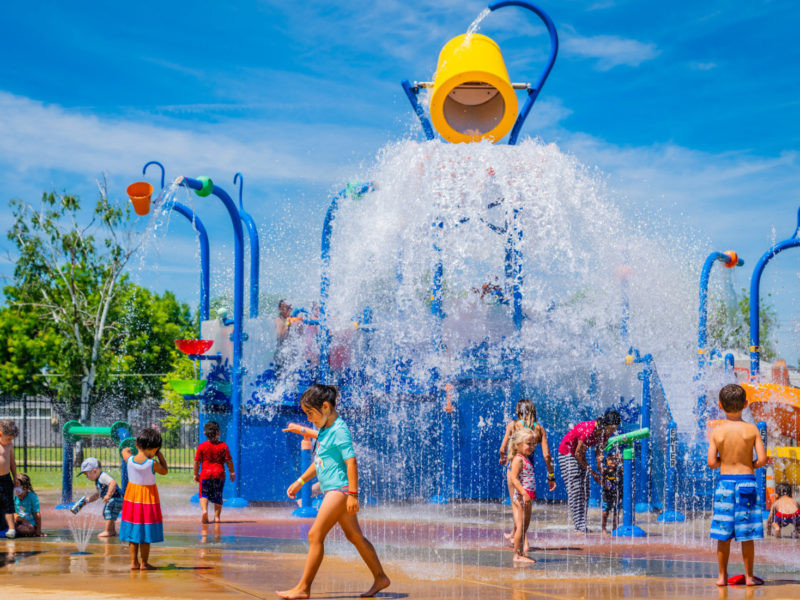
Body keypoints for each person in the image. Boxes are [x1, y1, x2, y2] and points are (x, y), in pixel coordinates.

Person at [277, 384, 390, 599]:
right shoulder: (326, 429)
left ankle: (303, 588)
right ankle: (380, 577)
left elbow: (351, 462)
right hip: (336, 490)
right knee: (355, 536)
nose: (309, 418)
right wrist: (300, 481)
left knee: (315, 535)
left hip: (340, 491)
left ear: (326, 407)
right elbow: (320, 461)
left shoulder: (339, 430)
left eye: (310, 413)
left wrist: (353, 495)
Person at [708, 383, 767, 587]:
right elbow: (762, 460)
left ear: (720, 405)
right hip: (747, 485)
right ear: (746, 404)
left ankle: (722, 577)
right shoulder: (751, 430)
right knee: (747, 534)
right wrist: (747, 465)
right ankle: (749, 577)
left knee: (723, 534)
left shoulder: (717, 432)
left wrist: (725, 462)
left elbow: (711, 463)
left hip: (725, 485)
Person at [498, 399, 556, 548]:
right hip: (529, 472)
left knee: (516, 505)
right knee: (523, 505)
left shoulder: (512, 425)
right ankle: (513, 533)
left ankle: (524, 542)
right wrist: (551, 475)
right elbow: (547, 455)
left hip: (514, 469)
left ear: (518, 412)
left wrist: (503, 458)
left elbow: (502, 448)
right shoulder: (539, 429)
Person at [558, 410, 621, 533]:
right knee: (575, 490)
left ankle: (582, 525)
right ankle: (579, 527)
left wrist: (600, 468)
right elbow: (577, 453)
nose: (613, 431)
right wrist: (593, 473)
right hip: (567, 453)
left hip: (579, 455)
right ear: (606, 424)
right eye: (612, 428)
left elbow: (599, 452)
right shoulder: (589, 430)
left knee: (585, 490)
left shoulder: (605, 433)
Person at [120, 428, 168, 570]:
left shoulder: (129, 460)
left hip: (132, 500)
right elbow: (165, 471)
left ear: (137, 445)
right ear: (154, 449)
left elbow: (124, 451)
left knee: (134, 532)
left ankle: (134, 563)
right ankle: (144, 563)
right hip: (147, 501)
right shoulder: (152, 463)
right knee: (146, 533)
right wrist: (160, 456)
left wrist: (128, 448)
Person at [507, 428, 541, 563]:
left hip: (527, 496)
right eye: (529, 443)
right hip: (522, 496)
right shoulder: (518, 459)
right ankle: (516, 555)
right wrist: (523, 493)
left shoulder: (525, 458)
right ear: (518, 444)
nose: (532, 447)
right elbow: (514, 479)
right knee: (520, 526)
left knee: (525, 525)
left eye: (533, 444)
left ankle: (520, 552)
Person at [194, 420, 234, 523]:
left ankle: (204, 511)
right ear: (219, 433)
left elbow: (197, 462)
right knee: (218, 495)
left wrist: (195, 474)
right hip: (219, 475)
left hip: (205, 475)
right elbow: (229, 461)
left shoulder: (202, 446)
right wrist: (232, 472)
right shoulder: (223, 446)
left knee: (203, 495)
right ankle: (217, 517)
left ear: (204, 433)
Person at [77, 457, 124, 538]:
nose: (87, 477)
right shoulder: (98, 479)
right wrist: (88, 500)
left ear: (94, 471)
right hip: (114, 499)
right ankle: (111, 531)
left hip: (116, 498)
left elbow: (113, 483)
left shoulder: (103, 476)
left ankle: (109, 531)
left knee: (108, 511)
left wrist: (108, 495)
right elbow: (98, 494)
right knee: (109, 514)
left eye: (86, 474)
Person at [0, 419, 19, 538]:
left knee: (8, 503)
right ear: (0, 434)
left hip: (6, 478)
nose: (10, 441)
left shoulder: (9, 446)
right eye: (8, 439)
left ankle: (11, 528)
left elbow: (12, 462)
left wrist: (15, 477)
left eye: (11, 440)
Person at [600, 452, 623, 534]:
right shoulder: (605, 471)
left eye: (615, 459)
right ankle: (603, 528)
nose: (613, 461)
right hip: (606, 495)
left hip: (617, 495)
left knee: (616, 513)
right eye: (610, 459)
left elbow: (624, 466)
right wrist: (601, 460)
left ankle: (614, 528)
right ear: (606, 461)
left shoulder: (619, 471)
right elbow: (600, 467)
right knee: (605, 513)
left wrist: (621, 458)